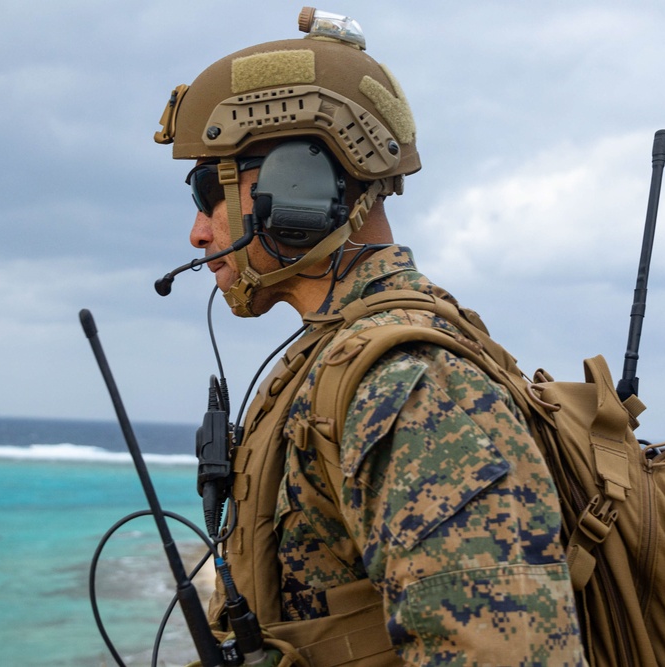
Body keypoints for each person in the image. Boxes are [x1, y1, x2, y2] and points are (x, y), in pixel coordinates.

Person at [154, 8, 585, 666]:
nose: (198, 233)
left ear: (294, 185)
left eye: (209, 190)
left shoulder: (412, 385)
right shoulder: (329, 359)